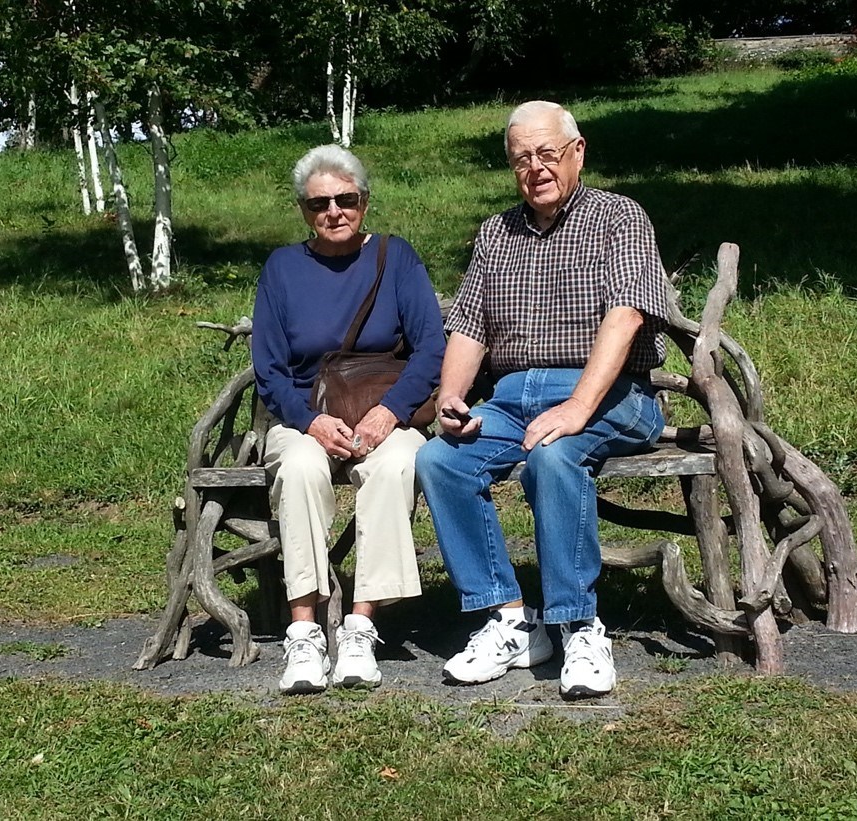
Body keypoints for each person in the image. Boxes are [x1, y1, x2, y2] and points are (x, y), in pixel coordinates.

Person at [415, 101, 668, 699]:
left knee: (554, 456)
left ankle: (580, 625)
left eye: (547, 154)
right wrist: (451, 395)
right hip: (509, 399)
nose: (536, 168)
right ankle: (509, 619)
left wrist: (578, 407)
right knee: (440, 461)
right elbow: (470, 326)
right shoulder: (495, 234)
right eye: (522, 158)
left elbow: (626, 314)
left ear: (577, 152)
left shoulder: (618, 218)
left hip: (610, 394)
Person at [252, 144, 445, 695]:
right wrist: (309, 422)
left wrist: (391, 412)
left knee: (398, 464)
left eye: (346, 199)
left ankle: (361, 624)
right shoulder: (283, 268)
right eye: (319, 204)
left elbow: (430, 347)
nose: (333, 212)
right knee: (301, 471)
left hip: (386, 411)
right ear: (303, 211)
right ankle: (305, 632)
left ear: (364, 201)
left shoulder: (395, 256)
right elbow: (268, 368)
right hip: (304, 417)